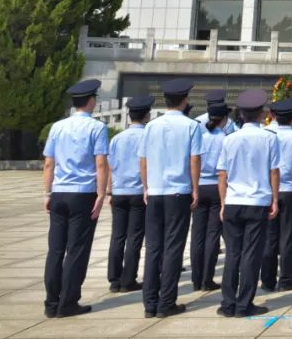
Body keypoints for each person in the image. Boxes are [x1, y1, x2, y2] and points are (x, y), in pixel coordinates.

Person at [42, 79, 109, 318]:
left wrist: (47, 193)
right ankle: (68, 301)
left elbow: (49, 163)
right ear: (91, 100)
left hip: (59, 192)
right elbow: (100, 162)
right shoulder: (97, 128)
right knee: (77, 250)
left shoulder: (57, 127)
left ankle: (51, 302)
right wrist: (101, 194)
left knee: (56, 250)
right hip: (83, 193)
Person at [140, 78, 203, 318]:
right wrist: (195, 189)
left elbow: (143, 160)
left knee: (154, 247)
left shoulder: (151, 127)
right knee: (173, 248)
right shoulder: (191, 126)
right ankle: (166, 302)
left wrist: (146, 186)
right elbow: (194, 159)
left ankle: (150, 303)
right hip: (178, 191)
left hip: (155, 191)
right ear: (185, 100)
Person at [217, 89, 279, 318]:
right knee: (251, 254)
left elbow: (221, 175)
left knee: (232, 253)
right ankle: (244, 304)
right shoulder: (269, 138)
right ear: (262, 114)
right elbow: (274, 171)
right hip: (257, 201)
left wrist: (223, 203)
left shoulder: (229, 139)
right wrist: (274, 199)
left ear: (241, 114)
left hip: (233, 201)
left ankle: (228, 302)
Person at [262, 97, 292, 292]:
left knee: (269, 237)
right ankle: (286, 278)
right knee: (289, 237)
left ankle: (267, 278)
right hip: (291, 192)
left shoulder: (265, 135)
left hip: (267, 191)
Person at [107, 94, 151, 294]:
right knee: (134, 237)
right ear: (147, 115)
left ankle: (114, 279)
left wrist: (109, 190)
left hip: (119, 191)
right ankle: (128, 279)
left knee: (118, 235)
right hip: (138, 191)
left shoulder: (117, 138)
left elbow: (110, 166)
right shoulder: (148, 136)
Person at [190, 100, 229, 291]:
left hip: (199, 185)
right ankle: (207, 278)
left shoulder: (200, 137)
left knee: (197, 234)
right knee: (213, 234)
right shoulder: (225, 138)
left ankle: (196, 279)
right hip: (217, 186)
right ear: (224, 119)